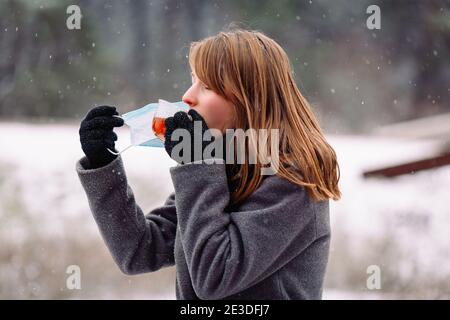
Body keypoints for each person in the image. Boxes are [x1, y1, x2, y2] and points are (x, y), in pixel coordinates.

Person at [76, 28, 341, 300]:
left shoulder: (292, 182)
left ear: (250, 100)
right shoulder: (227, 167)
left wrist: (197, 164)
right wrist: (103, 164)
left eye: (208, 86)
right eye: (193, 80)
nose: (189, 96)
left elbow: (215, 275)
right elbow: (139, 250)